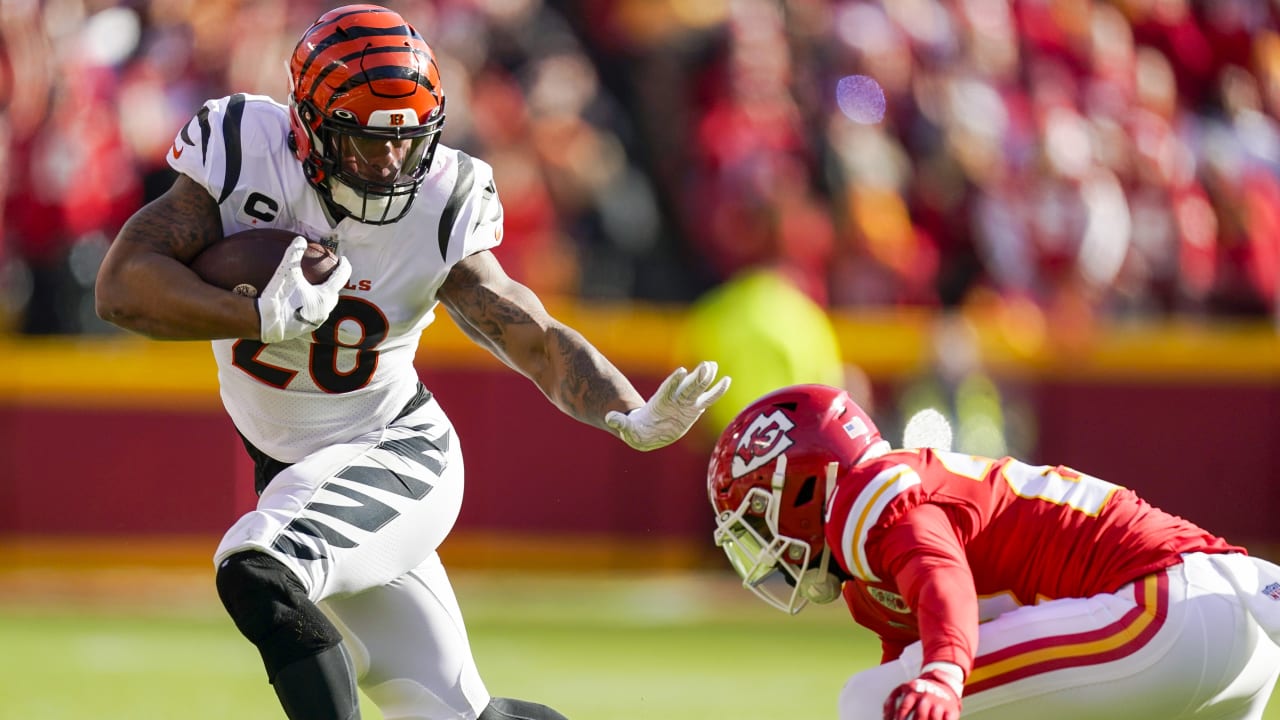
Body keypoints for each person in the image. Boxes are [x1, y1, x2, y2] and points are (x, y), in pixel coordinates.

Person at [94, 5, 729, 720]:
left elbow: (530, 333)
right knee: (455, 714)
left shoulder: (440, 199)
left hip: (396, 450)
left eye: (407, 139)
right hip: (298, 469)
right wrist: (257, 316)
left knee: (257, 566)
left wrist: (625, 409)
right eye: (367, 140)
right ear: (308, 125)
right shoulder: (242, 150)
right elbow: (122, 289)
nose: (392, 160)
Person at [706, 383, 1280, 720]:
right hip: (1232, 629)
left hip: (1161, 613)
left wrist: (943, 673)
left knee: (867, 701)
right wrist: (930, 676)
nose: (758, 542)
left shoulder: (866, 497)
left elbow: (941, 575)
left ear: (804, 485)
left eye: (756, 517)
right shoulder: (867, 576)